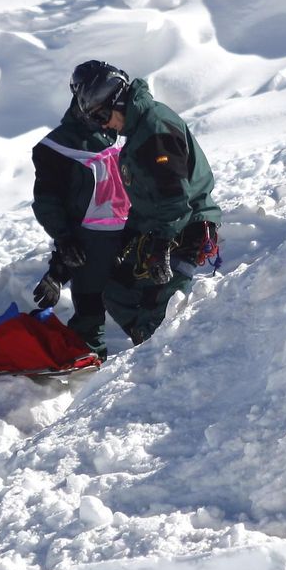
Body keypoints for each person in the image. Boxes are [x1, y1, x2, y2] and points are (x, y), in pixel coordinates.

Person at [69, 60, 221, 344]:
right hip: (159, 229)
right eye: (96, 119)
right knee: (112, 287)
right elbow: (149, 201)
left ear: (116, 99)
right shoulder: (138, 134)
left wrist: (161, 247)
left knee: (161, 313)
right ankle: (146, 344)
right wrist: (124, 239)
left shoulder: (155, 132)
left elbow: (175, 200)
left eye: (102, 115)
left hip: (184, 230)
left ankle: (164, 352)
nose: (104, 124)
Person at [30, 71, 130, 358]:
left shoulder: (123, 131)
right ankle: (87, 364)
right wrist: (64, 244)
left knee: (141, 304)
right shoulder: (56, 147)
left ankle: (153, 360)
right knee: (89, 313)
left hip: (133, 234)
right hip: (91, 240)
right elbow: (48, 201)